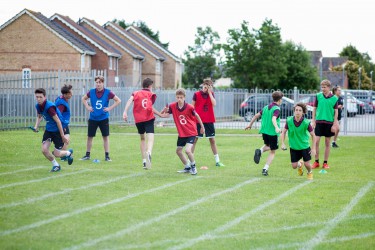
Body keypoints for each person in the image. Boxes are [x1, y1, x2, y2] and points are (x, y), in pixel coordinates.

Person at [123, 78, 166, 169]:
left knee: (142, 139)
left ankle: (144, 161)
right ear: (150, 86)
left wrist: (125, 112)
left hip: (138, 120)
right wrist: (160, 115)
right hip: (148, 118)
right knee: (150, 138)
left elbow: (129, 100)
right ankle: (149, 152)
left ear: (143, 85)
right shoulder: (151, 94)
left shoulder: (135, 93)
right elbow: (150, 107)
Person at [161, 88, 205, 175]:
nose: (179, 99)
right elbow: (163, 115)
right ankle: (187, 167)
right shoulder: (173, 106)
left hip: (191, 132)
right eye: (177, 97)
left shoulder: (190, 107)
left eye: (181, 97)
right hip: (182, 133)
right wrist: (164, 110)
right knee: (178, 151)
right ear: (176, 97)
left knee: (188, 150)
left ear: (184, 97)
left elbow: (197, 116)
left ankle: (194, 167)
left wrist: (202, 127)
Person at [80, 75, 121, 161]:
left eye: (99, 82)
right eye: (96, 82)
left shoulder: (108, 92)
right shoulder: (91, 92)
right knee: (90, 136)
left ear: (103, 83)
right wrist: (88, 107)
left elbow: (118, 100)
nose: (98, 84)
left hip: (103, 118)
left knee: (105, 137)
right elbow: (83, 99)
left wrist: (109, 108)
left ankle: (107, 156)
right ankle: (87, 155)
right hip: (93, 118)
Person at [32, 88, 73, 172]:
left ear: (45, 97)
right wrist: (36, 126)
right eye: (37, 97)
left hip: (58, 131)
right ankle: (56, 165)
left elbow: (58, 121)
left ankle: (68, 153)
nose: (38, 99)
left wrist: (62, 136)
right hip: (49, 130)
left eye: (40, 97)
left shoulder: (49, 107)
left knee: (57, 154)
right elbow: (39, 116)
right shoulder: (38, 106)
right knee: (44, 150)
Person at [245, 91, 283, 176]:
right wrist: (277, 127)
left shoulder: (266, 107)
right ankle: (265, 169)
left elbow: (256, 115)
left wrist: (250, 125)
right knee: (273, 151)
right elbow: (274, 119)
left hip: (264, 132)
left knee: (268, 145)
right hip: (272, 133)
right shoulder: (277, 109)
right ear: (280, 100)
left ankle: (260, 151)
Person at [191, 78, 225, 167]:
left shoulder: (211, 94)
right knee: (194, 140)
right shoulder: (196, 94)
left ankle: (217, 161)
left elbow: (214, 104)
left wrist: (210, 93)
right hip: (198, 121)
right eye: (205, 87)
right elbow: (192, 107)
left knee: (212, 140)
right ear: (203, 85)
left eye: (209, 87)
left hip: (209, 120)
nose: (206, 89)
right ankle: (190, 161)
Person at [281, 103, 316, 180]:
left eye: (300, 110)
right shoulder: (289, 120)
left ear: (303, 112)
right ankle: (300, 165)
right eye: (296, 110)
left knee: (307, 164)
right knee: (294, 166)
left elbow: (313, 135)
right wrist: (283, 143)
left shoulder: (306, 122)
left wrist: (313, 149)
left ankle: (309, 172)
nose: (297, 112)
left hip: (304, 146)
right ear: (294, 111)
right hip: (294, 147)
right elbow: (283, 132)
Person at [311, 80, 339, 169]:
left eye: (324, 87)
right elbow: (314, 108)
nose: (323, 89)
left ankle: (325, 163)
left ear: (329, 87)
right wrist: (313, 120)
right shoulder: (318, 96)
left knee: (327, 143)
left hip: (329, 123)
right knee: (316, 141)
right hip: (319, 122)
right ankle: (316, 162)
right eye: (322, 87)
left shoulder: (334, 98)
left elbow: (336, 112)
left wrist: (334, 124)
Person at [55, 84, 73, 160]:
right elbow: (58, 115)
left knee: (65, 139)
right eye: (70, 93)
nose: (72, 94)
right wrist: (62, 127)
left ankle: (62, 153)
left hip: (63, 123)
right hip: (61, 124)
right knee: (66, 139)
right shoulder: (61, 104)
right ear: (65, 94)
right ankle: (62, 155)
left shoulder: (61, 98)